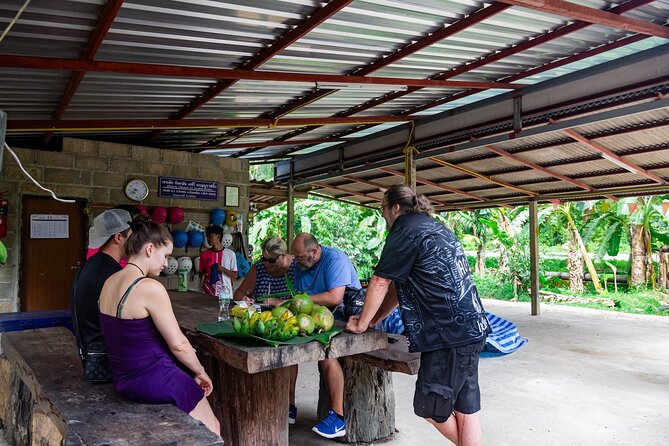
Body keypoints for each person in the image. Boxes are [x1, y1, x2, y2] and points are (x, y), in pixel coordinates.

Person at [346, 184, 491, 446]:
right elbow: (395, 285)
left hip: (448, 335)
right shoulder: (433, 226)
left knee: (430, 407)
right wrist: (375, 318)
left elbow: (380, 281)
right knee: (466, 408)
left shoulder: (404, 230)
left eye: (382, 210)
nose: (384, 217)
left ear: (395, 208)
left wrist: (361, 323)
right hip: (473, 329)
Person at [98, 216, 220, 435]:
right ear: (150, 249)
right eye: (165, 256)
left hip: (123, 379)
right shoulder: (149, 288)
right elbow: (179, 345)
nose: (165, 263)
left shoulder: (109, 281)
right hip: (153, 379)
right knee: (213, 429)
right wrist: (201, 372)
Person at [291, 232, 361, 439]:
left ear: (314, 252)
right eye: (295, 257)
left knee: (326, 355)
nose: (296, 261)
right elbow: (300, 298)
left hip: (347, 314)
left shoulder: (335, 259)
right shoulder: (301, 265)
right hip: (320, 315)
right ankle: (289, 406)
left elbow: (335, 297)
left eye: (300, 256)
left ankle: (338, 417)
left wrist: (300, 303)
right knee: (287, 349)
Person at [233, 236, 299, 423]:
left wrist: (280, 302)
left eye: (272, 260)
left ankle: (289, 404)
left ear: (284, 255)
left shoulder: (296, 267)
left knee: (290, 358)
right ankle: (260, 403)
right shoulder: (260, 267)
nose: (267, 263)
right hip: (261, 321)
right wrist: (244, 298)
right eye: (264, 259)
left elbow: (306, 297)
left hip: (287, 322)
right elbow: (239, 292)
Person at [71, 209, 133, 382]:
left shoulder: (92, 265)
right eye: (131, 236)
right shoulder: (112, 274)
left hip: (89, 348)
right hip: (103, 359)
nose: (134, 241)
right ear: (118, 238)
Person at [198, 226, 237, 297]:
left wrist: (222, 269)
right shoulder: (204, 255)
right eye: (207, 237)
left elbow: (234, 276)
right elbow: (201, 274)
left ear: (218, 236)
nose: (208, 239)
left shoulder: (230, 254)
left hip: (225, 292)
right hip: (208, 291)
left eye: (210, 236)